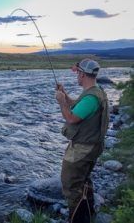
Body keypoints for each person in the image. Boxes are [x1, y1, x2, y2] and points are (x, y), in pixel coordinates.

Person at [55, 58, 109, 222]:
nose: (76, 76)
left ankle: (78, 219)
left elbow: (71, 118)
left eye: (77, 72)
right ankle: (89, 213)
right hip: (91, 146)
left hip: (83, 149)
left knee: (71, 185)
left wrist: (61, 103)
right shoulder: (95, 91)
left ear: (82, 74)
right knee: (83, 180)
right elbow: (76, 105)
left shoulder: (91, 98)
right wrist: (65, 96)